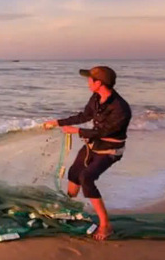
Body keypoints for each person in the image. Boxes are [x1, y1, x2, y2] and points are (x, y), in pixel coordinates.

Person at [43, 66, 131, 241]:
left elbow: (105, 132)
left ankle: (106, 224)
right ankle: (68, 208)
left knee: (87, 178)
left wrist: (77, 132)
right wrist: (57, 122)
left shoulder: (121, 108)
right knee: (74, 173)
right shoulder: (96, 97)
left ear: (99, 83)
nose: (88, 82)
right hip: (93, 145)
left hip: (110, 149)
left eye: (90, 79)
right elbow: (84, 116)